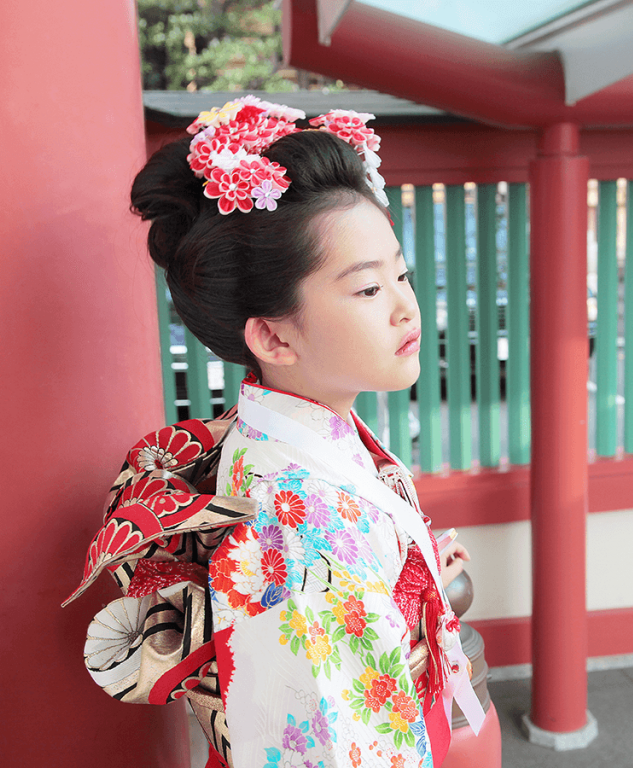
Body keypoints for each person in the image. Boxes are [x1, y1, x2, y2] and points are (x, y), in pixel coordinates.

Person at [63, 96, 482, 768]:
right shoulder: (289, 515)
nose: (407, 305)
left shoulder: (303, 439)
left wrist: (410, 563)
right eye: (369, 290)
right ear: (275, 335)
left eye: (400, 274)